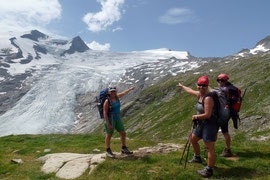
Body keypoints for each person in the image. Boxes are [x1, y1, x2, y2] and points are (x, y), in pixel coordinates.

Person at [177, 76, 218, 178]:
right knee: (193, 139)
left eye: (204, 85)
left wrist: (196, 116)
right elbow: (190, 91)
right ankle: (197, 157)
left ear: (207, 85)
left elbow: (208, 114)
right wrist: (182, 86)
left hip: (210, 124)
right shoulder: (199, 95)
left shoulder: (208, 98)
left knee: (209, 148)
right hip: (201, 123)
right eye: (199, 85)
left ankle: (209, 170)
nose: (201, 87)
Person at [103, 86, 135, 158]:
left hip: (117, 118)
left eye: (114, 91)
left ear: (116, 92)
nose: (113, 93)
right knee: (109, 135)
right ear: (109, 92)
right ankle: (108, 150)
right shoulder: (107, 101)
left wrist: (129, 89)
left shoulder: (117, 97)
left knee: (123, 133)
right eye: (111, 91)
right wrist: (108, 124)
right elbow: (105, 112)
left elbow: (124, 93)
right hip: (110, 119)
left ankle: (124, 148)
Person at [216, 73, 233, 157]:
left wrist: (206, 86)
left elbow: (213, 92)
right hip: (227, 111)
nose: (219, 81)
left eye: (221, 80)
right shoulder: (229, 88)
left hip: (223, 113)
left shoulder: (223, 89)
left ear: (226, 80)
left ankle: (210, 148)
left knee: (223, 131)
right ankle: (227, 149)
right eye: (218, 80)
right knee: (224, 131)